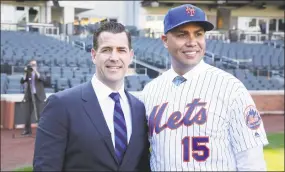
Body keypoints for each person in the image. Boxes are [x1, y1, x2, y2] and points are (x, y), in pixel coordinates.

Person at [139, 4, 269, 171]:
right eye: (182, 35)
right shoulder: (150, 92)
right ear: (165, 40)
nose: (192, 42)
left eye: (198, 34)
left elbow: (251, 162)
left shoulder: (231, 88)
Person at [33, 22, 150, 171]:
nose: (114, 57)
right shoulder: (61, 105)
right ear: (94, 55)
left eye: (121, 50)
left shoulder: (139, 108)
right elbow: (46, 167)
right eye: (106, 50)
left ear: (130, 56)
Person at [20, 59, 46, 135]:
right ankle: (27, 130)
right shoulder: (28, 72)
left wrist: (35, 71)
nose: (32, 66)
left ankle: (41, 131)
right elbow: (22, 81)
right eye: (31, 65)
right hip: (29, 95)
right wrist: (25, 72)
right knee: (27, 114)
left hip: (39, 96)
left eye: (34, 64)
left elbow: (43, 79)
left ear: (36, 65)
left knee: (40, 114)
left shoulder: (40, 71)